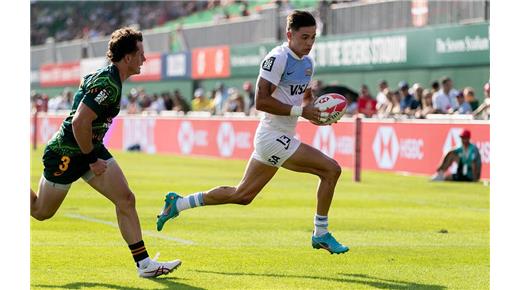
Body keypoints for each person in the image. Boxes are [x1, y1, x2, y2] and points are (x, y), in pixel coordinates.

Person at [156, 10, 349, 255]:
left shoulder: (308, 63)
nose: (309, 43)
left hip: (281, 136)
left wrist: (318, 114)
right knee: (331, 169)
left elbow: (305, 99)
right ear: (289, 35)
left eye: (313, 38)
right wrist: (302, 111)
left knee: (243, 195)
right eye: (304, 37)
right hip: (271, 135)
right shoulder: (277, 58)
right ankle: (320, 233)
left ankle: (179, 204)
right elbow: (261, 102)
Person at [30, 27, 181, 278]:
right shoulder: (108, 83)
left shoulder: (110, 79)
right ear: (128, 58)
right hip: (67, 153)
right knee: (41, 212)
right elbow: (79, 122)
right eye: (141, 53)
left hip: (90, 147)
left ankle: (144, 265)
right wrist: (91, 160)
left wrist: (92, 154)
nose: (145, 59)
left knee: (126, 199)